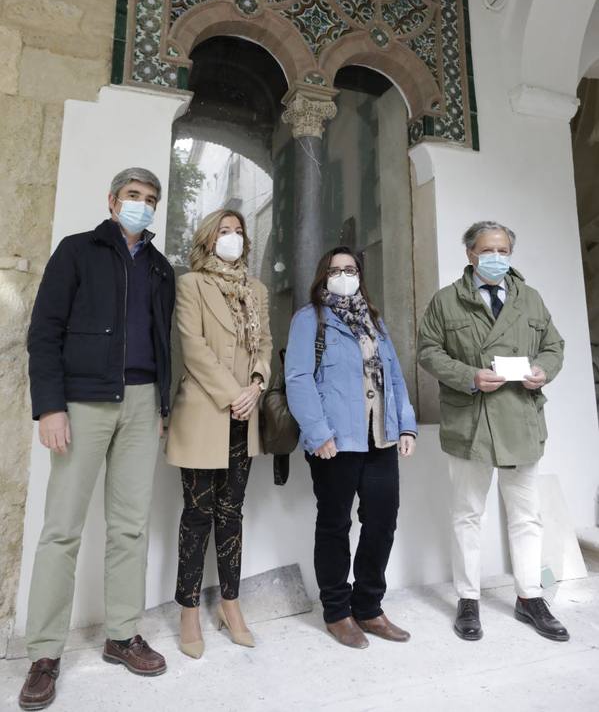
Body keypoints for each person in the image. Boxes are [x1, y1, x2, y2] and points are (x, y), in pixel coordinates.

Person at [19, 168, 175, 711]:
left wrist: (162, 406)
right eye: (133, 196)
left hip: (141, 405)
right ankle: (43, 654)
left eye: (150, 199)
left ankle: (121, 634)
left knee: (129, 527)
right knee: (61, 529)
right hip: (82, 403)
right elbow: (44, 331)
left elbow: (164, 343)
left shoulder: (159, 267)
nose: (142, 205)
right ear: (112, 201)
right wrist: (50, 406)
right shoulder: (77, 251)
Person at [417, 220, 569, 642]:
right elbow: (427, 351)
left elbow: (554, 346)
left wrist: (544, 370)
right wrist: (468, 375)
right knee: (467, 515)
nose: (497, 258)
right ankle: (468, 598)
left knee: (526, 516)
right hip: (472, 422)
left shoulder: (530, 299)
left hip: (521, 418)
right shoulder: (446, 302)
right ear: (470, 254)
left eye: (503, 251)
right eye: (488, 251)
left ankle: (530, 597)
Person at [284, 246, 417, 649]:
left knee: (382, 521)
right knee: (335, 525)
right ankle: (338, 612)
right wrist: (317, 432)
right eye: (336, 269)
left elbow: (393, 374)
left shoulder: (373, 320)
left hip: (381, 438)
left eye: (351, 269)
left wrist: (406, 425)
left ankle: (369, 607)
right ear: (323, 275)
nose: (344, 274)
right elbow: (298, 377)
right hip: (336, 442)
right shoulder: (310, 319)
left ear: (360, 274)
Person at [166, 209, 272, 657]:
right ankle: (189, 610)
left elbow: (263, 343)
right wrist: (233, 393)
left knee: (232, 513)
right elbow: (193, 346)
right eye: (224, 231)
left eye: (238, 232)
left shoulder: (257, 289)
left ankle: (231, 605)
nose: (233, 237)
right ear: (209, 239)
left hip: (244, 417)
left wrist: (257, 384)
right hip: (203, 412)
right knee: (197, 514)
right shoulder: (191, 283)